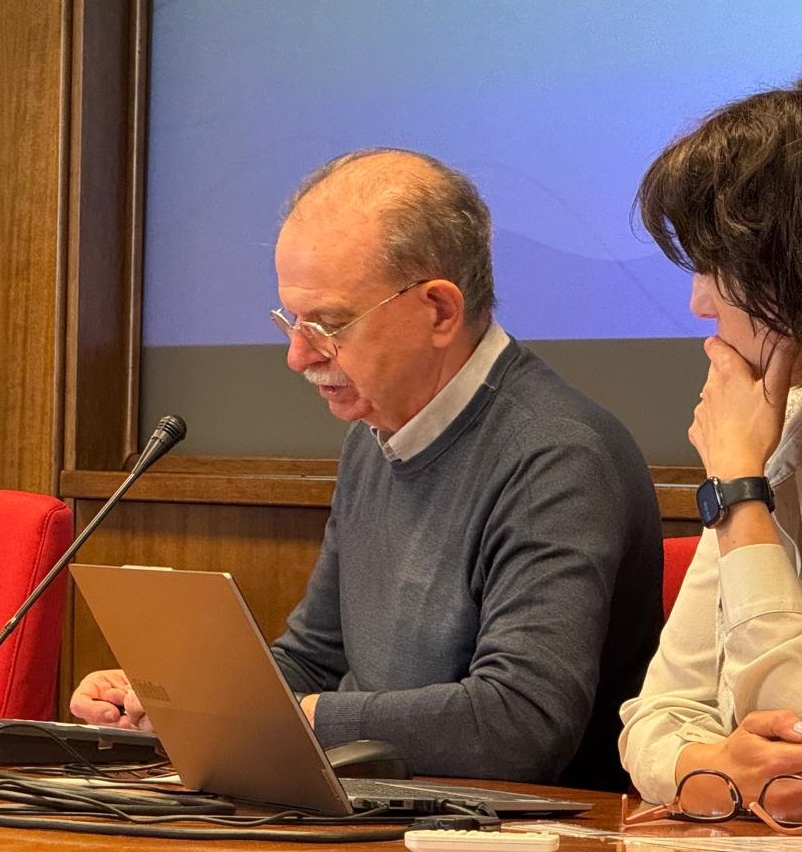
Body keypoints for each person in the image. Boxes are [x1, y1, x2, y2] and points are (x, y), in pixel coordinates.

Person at [72, 149, 665, 788]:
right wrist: (179, 700)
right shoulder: (375, 432)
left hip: (517, 836)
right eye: (291, 321)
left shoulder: (559, 457)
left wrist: (296, 720)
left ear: (439, 311)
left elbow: (518, 724)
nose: (298, 356)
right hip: (381, 811)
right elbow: (315, 660)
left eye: (328, 325)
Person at [620, 83, 802, 811]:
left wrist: (739, 494)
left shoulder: (745, 460)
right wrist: (718, 764)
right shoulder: (775, 434)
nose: (698, 302)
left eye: (715, 266)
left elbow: (794, 740)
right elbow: (652, 719)